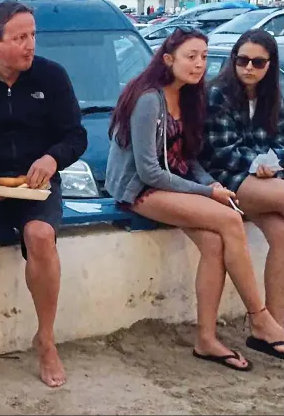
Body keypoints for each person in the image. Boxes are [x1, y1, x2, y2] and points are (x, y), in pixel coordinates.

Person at [105, 27, 284, 371]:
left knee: (216, 243)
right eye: (191, 56)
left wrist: (209, 184)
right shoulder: (148, 99)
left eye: (203, 56)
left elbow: (190, 159)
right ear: (168, 59)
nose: (200, 64)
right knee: (230, 220)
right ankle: (260, 320)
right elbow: (149, 172)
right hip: (140, 190)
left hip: (174, 182)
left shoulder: (189, 96)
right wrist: (208, 192)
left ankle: (206, 339)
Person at [0, 0, 87, 387]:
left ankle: (45, 338)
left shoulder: (51, 77)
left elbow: (76, 136)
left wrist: (52, 158)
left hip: (37, 182)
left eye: (32, 36)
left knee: (40, 235)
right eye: (20, 37)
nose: (30, 45)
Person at [201, 30, 284, 334]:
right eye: (242, 60)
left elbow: (282, 141)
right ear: (233, 60)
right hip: (225, 177)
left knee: (282, 236)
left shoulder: (273, 96)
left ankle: (274, 326)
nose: (249, 67)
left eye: (258, 62)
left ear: (269, 65)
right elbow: (220, 150)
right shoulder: (217, 94)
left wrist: (272, 163)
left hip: (265, 179)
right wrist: (259, 163)